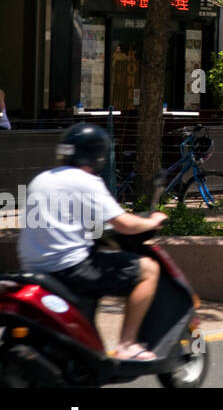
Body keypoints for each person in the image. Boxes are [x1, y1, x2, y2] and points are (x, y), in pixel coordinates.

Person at [18, 123, 169, 361]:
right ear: (99, 154)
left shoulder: (41, 179)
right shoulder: (86, 180)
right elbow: (124, 225)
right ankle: (127, 344)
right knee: (149, 270)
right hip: (70, 268)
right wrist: (152, 222)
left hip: (34, 268)